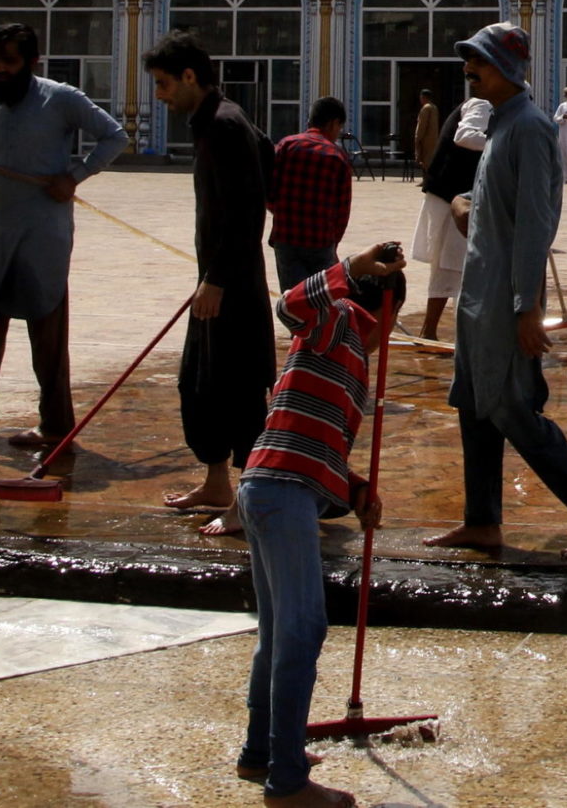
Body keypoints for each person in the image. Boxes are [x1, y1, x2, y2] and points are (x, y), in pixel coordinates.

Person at [422, 22, 567, 561]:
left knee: (510, 408)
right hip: (480, 298)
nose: (470, 73)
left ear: (506, 71)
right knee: (473, 404)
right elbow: (500, 212)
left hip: (506, 302)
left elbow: (535, 225)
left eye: (479, 64)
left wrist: (527, 308)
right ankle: (482, 522)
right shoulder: (502, 128)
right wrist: (465, 205)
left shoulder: (530, 129)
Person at [232, 238, 406, 807]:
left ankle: (263, 752)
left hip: (273, 485)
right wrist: (351, 268)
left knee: (278, 633)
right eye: (394, 322)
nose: (390, 336)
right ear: (387, 311)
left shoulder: (353, 361)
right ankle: (288, 784)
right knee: (303, 632)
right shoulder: (339, 323)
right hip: (282, 491)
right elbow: (290, 306)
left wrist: (356, 489)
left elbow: (320, 437)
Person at [0, 23, 128, 449]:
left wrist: (75, 176)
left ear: (33, 62)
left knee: (46, 332)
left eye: (9, 61)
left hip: (44, 238)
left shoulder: (61, 98)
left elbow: (115, 136)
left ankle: (55, 425)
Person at [146, 30, 276, 519]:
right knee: (200, 384)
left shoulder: (223, 124)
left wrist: (217, 278)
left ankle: (250, 500)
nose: (159, 96)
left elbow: (248, 211)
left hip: (233, 285)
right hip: (218, 279)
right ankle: (217, 483)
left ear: (189, 76)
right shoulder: (217, 119)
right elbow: (267, 155)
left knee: (238, 388)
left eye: (163, 84)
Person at [412, 91, 490, 341]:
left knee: (457, 264)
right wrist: (504, 143)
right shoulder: (482, 104)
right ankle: (431, 332)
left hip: (458, 195)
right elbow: (465, 136)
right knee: (450, 264)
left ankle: (451, 331)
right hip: (450, 196)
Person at [269, 96, 353, 294]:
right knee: (320, 303)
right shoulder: (337, 156)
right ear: (334, 123)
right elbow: (342, 210)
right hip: (320, 241)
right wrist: (333, 242)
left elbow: (269, 190)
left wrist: (282, 213)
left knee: (294, 303)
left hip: (286, 238)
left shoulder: (285, 146)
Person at [410, 86, 442, 174]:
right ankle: (426, 179)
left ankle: (426, 180)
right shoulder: (434, 107)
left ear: (423, 97)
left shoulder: (426, 108)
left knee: (424, 160)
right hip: (434, 138)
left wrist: (417, 138)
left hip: (425, 139)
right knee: (430, 159)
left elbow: (422, 125)